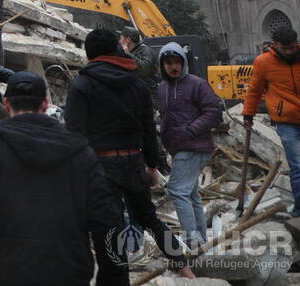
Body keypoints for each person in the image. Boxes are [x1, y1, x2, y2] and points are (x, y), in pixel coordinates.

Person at [0, 72, 123, 286]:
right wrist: (113, 278)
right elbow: (107, 222)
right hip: (68, 273)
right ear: (46, 104)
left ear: (6, 103)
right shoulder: (81, 153)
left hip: (7, 273)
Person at [64, 29, 193, 283]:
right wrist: (152, 166)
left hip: (100, 166)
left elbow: (75, 135)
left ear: (90, 54)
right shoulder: (137, 84)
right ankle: (183, 265)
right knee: (149, 217)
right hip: (134, 162)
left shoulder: (82, 84)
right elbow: (148, 129)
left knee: (109, 231)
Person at [157, 42, 222, 247]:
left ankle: (190, 242)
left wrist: (191, 130)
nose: (174, 67)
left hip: (193, 146)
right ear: (162, 65)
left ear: (184, 63)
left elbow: (214, 112)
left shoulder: (197, 84)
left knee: (177, 190)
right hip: (178, 147)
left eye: (177, 62)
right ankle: (200, 241)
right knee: (191, 194)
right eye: (168, 63)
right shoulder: (162, 88)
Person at [244, 25, 300, 217]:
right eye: (285, 48)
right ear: (275, 45)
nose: (289, 52)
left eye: (292, 47)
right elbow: (254, 90)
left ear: (296, 43)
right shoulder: (264, 63)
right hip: (287, 122)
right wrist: (248, 114)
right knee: (299, 167)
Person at [120, 28, 157, 103]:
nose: (119, 41)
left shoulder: (145, 50)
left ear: (128, 40)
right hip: (135, 95)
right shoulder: (131, 52)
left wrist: (128, 55)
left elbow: (145, 70)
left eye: (121, 38)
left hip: (148, 97)